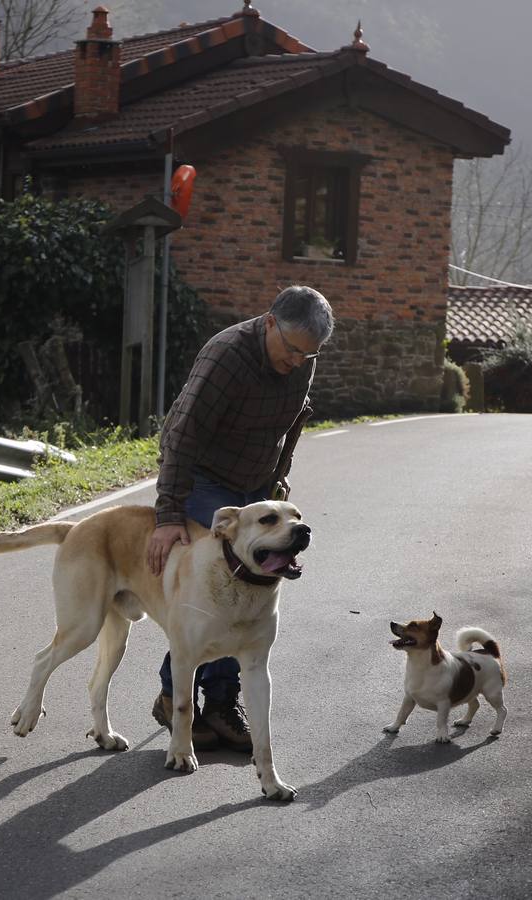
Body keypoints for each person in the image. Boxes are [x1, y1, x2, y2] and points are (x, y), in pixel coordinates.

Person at [146, 284, 334, 752]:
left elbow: (290, 424)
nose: (297, 362)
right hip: (206, 478)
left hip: (254, 482)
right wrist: (169, 513)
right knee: (216, 591)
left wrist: (277, 478)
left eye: (307, 356)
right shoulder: (226, 357)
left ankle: (216, 705)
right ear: (270, 322)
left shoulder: (301, 360)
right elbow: (182, 437)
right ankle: (180, 696)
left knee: (248, 591)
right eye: (291, 350)